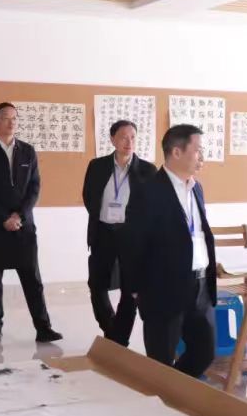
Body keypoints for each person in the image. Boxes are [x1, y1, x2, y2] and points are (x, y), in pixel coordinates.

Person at [126, 124, 217, 378]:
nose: (202, 156)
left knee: (205, 352)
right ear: (176, 152)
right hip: (162, 287)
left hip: (199, 285)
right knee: (161, 359)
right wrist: (137, 289)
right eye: (197, 150)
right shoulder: (148, 191)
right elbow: (133, 243)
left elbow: (197, 234)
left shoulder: (196, 188)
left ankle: (174, 388)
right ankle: (164, 393)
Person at [0, 102, 62, 345]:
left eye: (15, 118)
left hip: (24, 225)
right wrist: (4, 218)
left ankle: (43, 328)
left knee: (33, 278)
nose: (11, 122)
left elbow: (35, 188)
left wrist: (19, 216)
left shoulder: (28, 151)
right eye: (6, 118)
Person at [81, 120, 158, 345]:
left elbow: (150, 206)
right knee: (97, 284)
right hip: (103, 232)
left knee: (130, 287)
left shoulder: (147, 170)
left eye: (133, 137)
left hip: (131, 236)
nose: (129, 142)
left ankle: (119, 339)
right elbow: (89, 196)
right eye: (124, 137)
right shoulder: (97, 166)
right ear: (112, 139)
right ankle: (111, 328)